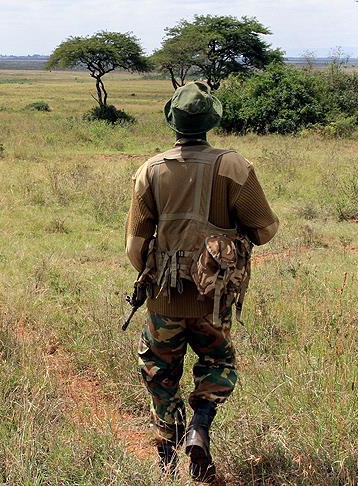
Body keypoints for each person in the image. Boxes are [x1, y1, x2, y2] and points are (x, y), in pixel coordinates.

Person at [126, 81, 279, 481]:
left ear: (172, 121)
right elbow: (264, 230)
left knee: (159, 368)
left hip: (164, 298)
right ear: (212, 119)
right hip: (214, 301)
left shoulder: (149, 170)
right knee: (218, 361)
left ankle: (167, 448)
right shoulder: (234, 166)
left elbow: (134, 248)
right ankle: (200, 427)